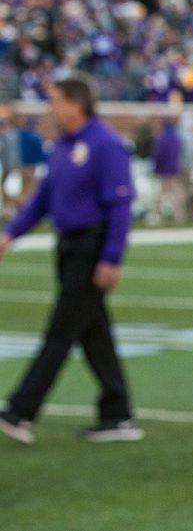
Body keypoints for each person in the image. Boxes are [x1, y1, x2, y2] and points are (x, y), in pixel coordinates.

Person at [0, 78, 142, 445]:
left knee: (61, 331)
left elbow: (120, 204)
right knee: (94, 333)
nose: (51, 109)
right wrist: (10, 233)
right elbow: (42, 199)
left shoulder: (105, 143)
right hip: (68, 246)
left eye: (56, 101)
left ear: (76, 104)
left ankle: (20, 410)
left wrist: (112, 257)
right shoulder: (64, 145)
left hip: (91, 247)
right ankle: (118, 413)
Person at [150, 116, 186, 225]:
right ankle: (179, 214)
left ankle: (157, 214)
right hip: (174, 166)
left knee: (161, 191)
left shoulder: (162, 137)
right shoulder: (176, 137)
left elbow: (158, 154)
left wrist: (156, 166)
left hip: (164, 168)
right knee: (176, 190)